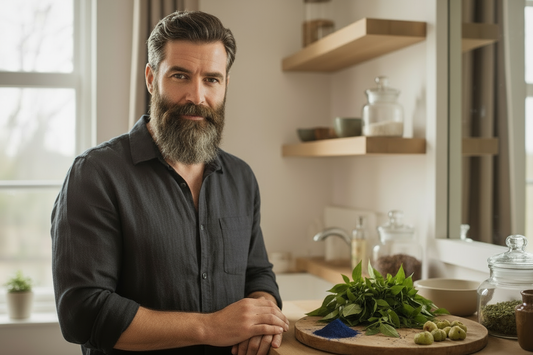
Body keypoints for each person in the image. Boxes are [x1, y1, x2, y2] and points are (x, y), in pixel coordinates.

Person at [51, 10, 288, 355]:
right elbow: (83, 313)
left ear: (225, 84)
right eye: (180, 75)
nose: (197, 96)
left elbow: (258, 275)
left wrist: (261, 315)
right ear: (151, 78)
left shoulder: (242, 178)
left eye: (211, 79)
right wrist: (210, 327)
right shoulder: (95, 175)